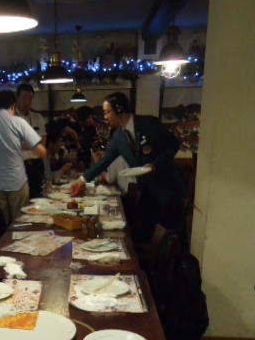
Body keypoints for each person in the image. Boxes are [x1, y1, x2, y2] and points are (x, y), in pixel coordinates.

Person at [71, 92, 184, 238]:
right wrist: (81, 180)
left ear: (119, 109)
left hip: (167, 188)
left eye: (107, 112)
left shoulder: (148, 123)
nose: (105, 117)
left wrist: (154, 165)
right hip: (146, 192)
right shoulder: (119, 136)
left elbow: (174, 145)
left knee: (173, 235)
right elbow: (104, 162)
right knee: (144, 234)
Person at [0, 90, 46, 224]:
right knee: (20, 222)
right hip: (16, 180)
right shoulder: (18, 122)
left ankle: (4, 238)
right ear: (13, 105)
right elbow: (41, 151)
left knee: (1, 222)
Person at [14, 83, 47, 198]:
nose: (27, 102)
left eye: (30, 98)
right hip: (19, 165)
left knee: (38, 197)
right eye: (24, 98)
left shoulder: (38, 117)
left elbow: (43, 143)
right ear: (17, 98)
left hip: (37, 164)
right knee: (21, 198)